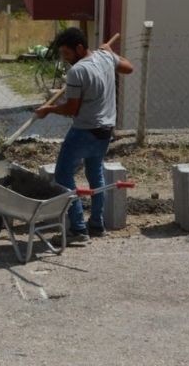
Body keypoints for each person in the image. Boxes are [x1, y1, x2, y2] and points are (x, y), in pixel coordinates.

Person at [34, 27, 133, 243]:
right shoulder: (105, 57)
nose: (65, 59)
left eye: (67, 54)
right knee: (95, 174)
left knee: (63, 175)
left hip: (84, 131)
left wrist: (48, 110)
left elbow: (71, 110)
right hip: (106, 131)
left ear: (79, 48)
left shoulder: (77, 72)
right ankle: (97, 225)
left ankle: (78, 229)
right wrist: (111, 53)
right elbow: (128, 67)